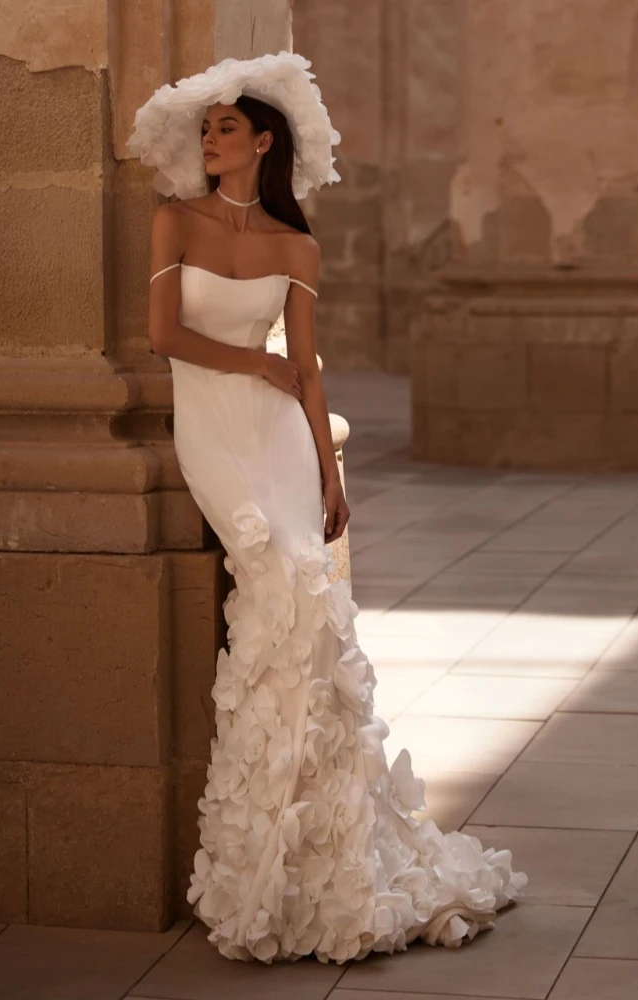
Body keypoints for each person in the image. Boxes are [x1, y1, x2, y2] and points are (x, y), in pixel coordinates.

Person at [128, 51, 525, 965]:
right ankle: (263, 844)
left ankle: (328, 842)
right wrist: (250, 364)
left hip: (277, 431)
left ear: (264, 141)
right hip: (216, 426)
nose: (211, 138)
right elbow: (163, 337)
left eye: (228, 126)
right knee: (281, 587)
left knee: (310, 604)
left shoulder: (296, 246)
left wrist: (332, 474)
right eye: (206, 128)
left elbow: (305, 365)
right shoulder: (172, 220)